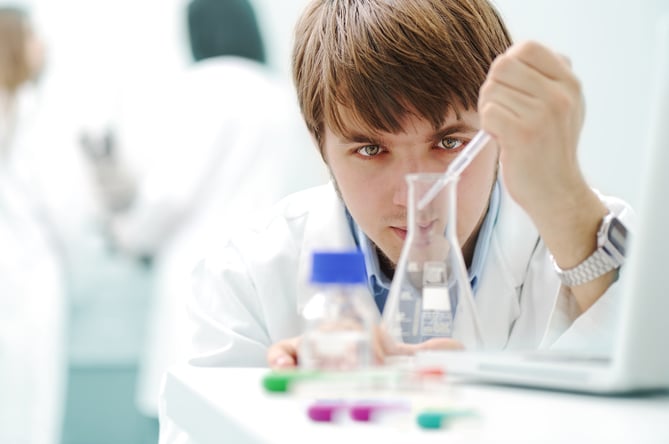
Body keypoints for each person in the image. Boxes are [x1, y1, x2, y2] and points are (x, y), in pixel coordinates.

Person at [92, 0, 327, 421]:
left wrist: (128, 235)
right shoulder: (278, 94)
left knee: (191, 409)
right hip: (271, 266)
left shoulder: (200, 89)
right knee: (255, 410)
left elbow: (170, 195)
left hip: (199, 269)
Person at [0, 6, 66, 444]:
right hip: (26, 278)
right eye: (32, 35)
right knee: (33, 411)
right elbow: (64, 208)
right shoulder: (29, 111)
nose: (43, 45)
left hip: (18, 274)